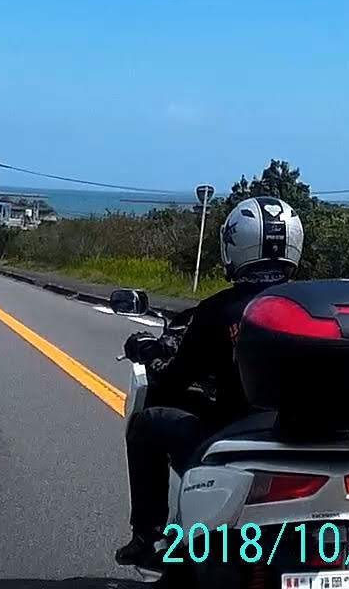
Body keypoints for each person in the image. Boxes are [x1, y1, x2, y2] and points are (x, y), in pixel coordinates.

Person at [114, 195, 304, 569]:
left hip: (241, 436)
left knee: (146, 425)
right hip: (312, 436)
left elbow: (174, 381)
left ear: (235, 244)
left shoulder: (218, 310)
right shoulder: (310, 304)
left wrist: (155, 360)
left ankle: (148, 536)